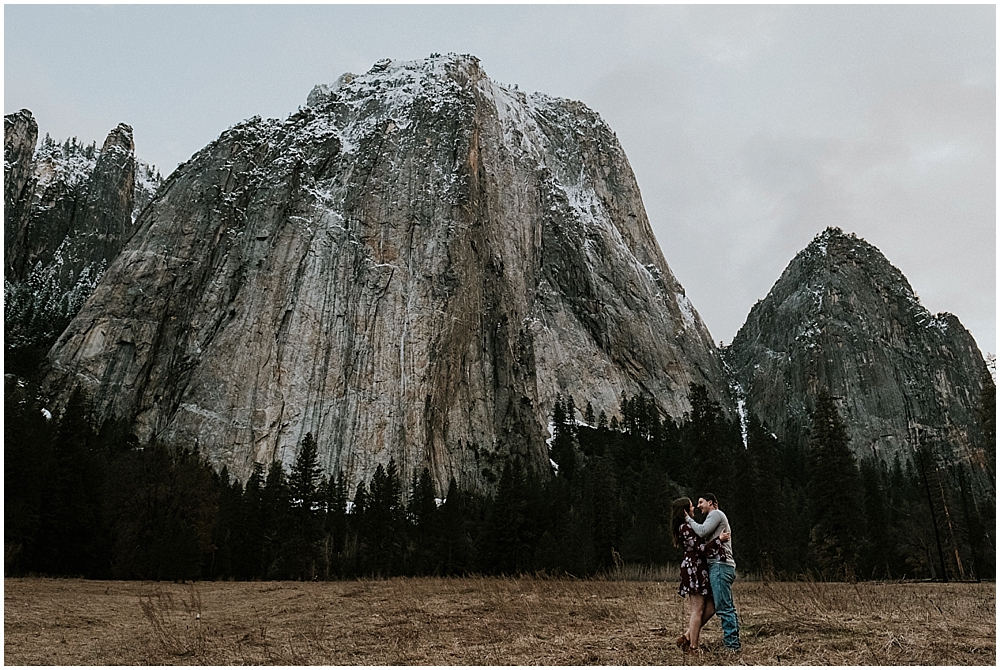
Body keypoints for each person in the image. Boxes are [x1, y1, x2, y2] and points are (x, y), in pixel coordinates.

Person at [670, 497, 728, 655]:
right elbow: (701, 548)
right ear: (684, 511)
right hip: (693, 569)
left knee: (712, 606)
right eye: (690, 506)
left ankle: (688, 636)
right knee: (697, 609)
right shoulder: (684, 528)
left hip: (700, 568)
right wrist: (719, 540)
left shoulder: (689, 526)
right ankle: (693, 647)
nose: (694, 507)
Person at [686, 493, 741, 652]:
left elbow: (701, 531)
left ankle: (732, 646)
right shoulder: (715, 520)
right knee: (721, 605)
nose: (698, 506)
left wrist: (687, 519)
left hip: (720, 566)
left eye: (701, 502)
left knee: (724, 607)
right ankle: (690, 636)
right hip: (719, 567)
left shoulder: (716, 514)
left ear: (711, 503)